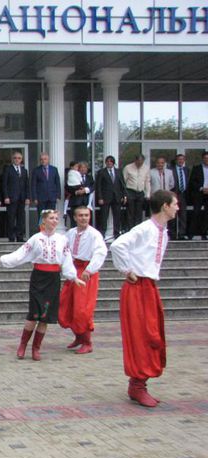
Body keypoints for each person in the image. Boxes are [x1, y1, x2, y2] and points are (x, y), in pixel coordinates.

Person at [110, 190, 179, 407]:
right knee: (142, 335)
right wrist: (126, 269)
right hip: (137, 286)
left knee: (153, 334)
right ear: (165, 206)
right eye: (175, 204)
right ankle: (138, 385)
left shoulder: (162, 232)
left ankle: (138, 384)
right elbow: (117, 245)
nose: (177, 207)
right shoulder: (145, 229)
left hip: (149, 286)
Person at [0, 210, 84, 361]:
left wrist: (73, 277)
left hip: (53, 279)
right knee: (33, 314)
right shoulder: (35, 239)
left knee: (45, 317)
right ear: (43, 221)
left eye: (56, 218)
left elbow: (67, 259)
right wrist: (3, 260)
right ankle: (23, 345)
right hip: (39, 278)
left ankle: (36, 348)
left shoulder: (62, 240)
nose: (54, 221)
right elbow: (21, 254)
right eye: (51, 218)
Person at [58, 206, 107, 354]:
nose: (84, 218)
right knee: (68, 304)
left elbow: (100, 252)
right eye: (80, 215)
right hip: (73, 270)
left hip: (86, 272)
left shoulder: (94, 235)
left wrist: (90, 269)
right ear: (75, 217)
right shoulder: (70, 233)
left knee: (82, 308)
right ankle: (78, 337)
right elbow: (63, 251)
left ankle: (87, 341)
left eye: (86, 215)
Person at [94, 156, 127, 240]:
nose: (109, 163)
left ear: (113, 163)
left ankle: (116, 233)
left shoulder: (118, 171)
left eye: (111, 161)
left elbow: (122, 184)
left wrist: (124, 195)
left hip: (117, 197)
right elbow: (98, 186)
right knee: (104, 216)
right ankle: (102, 234)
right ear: (105, 163)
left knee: (117, 216)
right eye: (107, 161)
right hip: (105, 198)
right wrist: (100, 197)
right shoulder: (101, 172)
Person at [1, 152, 30, 242]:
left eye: (19, 158)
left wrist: (27, 197)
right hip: (11, 198)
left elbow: (27, 185)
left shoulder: (24, 170)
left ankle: (20, 236)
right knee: (11, 218)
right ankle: (11, 236)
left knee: (21, 219)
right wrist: (6, 196)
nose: (17, 159)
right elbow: (4, 184)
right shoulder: (8, 169)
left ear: (21, 159)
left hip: (21, 198)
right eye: (15, 158)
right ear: (12, 159)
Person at [123, 154, 151, 228]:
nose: (140, 164)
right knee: (130, 212)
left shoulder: (146, 168)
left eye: (141, 162)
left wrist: (148, 194)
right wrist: (124, 195)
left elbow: (147, 181)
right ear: (135, 160)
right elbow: (123, 182)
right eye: (138, 162)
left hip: (140, 192)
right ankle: (129, 229)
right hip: (130, 191)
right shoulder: (128, 167)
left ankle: (137, 229)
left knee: (139, 212)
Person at [186, 150, 208, 240]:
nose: (207, 160)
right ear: (202, 159)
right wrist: (201, 188)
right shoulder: (196, 168)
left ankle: (204, 233)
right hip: (199, 194)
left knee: (207, 214)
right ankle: (191, 233)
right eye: (205, 158)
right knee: (196, 213)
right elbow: (192, 182)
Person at [171, 154, 189, 240]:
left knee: (183, 215)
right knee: (173, 215)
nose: (181, 161)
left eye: (182, 160)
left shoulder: (186, 170)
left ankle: (182, 234)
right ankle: (173, 234)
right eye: (179, 159)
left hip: (183, 195)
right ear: (176, 160)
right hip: (174, 194)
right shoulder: (171, 170)